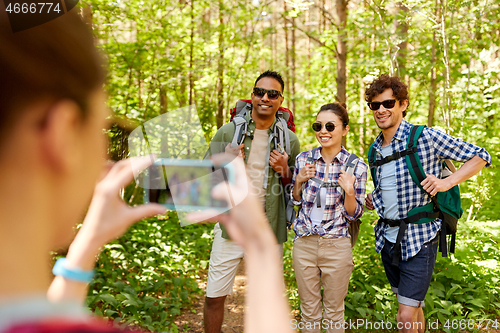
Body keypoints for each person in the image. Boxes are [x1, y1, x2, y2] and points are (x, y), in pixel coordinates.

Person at [0, 9, 294, 333]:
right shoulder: (229, 131)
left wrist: (86, 245)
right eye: (103, 127)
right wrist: (261, 248)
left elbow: (44, 322)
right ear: (63, 134)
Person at [364, 74, 491, 333]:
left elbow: (481, 156)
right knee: (413, 307)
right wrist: (373, 199)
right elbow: (389, 189)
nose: (381, 110)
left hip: (421, 236)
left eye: (388, 103)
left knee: (404, 317)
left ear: (403, 104)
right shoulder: (374, 149)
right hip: (388, 239)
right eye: (375, 105)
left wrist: (448, 182)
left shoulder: (426, 137)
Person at [203, 70, 300, 333]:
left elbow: (297, 190)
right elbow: (202, 178)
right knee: (214, 296)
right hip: (231, 227)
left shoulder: (289, 140)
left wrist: (285, 170)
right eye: (260, 92)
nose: (265, 98)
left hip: (269, 230)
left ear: (280, 100)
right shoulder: (228, 133)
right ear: (252, 96)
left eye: (272, 94)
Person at [290, 103, 367, 333]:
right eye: (318, 125)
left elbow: (354, 214)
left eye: (330, 126)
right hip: (304, 243)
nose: (323, 131)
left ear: (345, 129)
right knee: (309, 310)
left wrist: (350, 191)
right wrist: (298, 182)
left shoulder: (357, 166)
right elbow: (295, 201)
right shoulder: (304, 159)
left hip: (337, 244)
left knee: (334, 311)